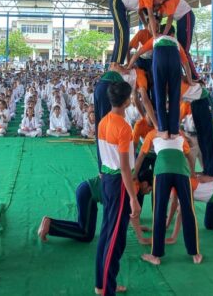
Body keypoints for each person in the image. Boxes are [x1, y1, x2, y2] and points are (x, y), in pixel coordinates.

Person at [95, 81, 140, 296]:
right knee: (115, 239)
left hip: (107, 180)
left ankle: (102, 284)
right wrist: (133, 197)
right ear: (125, 101)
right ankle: (107, 290)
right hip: (118, 183)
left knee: (106, 232)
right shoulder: (123, 127)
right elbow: (124, 168)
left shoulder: (104, 121)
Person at [39, 170, 153, 244]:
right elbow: (133, 215)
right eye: (150, 189)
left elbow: (126, 213)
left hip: (87, 192)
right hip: (87, 194)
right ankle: (51, 226)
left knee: (85, 229)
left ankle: (50, 223)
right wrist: (141, 238)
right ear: (144, 184)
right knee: (86, 235)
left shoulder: (131, 179)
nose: (149, 192)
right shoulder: (134, 188)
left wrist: (138, 227)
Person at [140, 130, 202, 266]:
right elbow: (189, 157)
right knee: (188, 210)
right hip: (182, 171)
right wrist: (191, 173)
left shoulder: (152, 133)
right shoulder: (178, 133)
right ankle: (195, 253)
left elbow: (142, 155)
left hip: (162, 171)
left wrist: (134, 173)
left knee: (159, 212)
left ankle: (155, 255)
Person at [109, 0, 169, 64]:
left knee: (124, 35)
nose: (161, 2)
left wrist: (145, 25)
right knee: (122, 34)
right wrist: (154, 36)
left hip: (121, 5)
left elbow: (140, 12)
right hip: (117, 0)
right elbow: (150, 15)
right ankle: (115, 65)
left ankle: (114, 64)